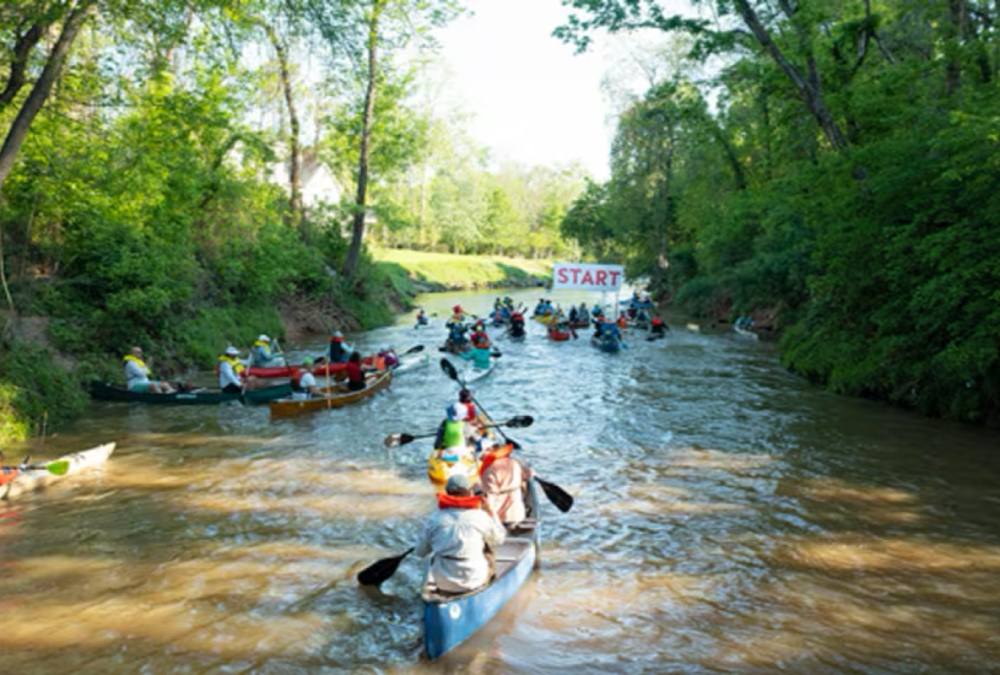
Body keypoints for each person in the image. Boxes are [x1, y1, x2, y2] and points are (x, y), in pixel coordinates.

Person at [415, 473, 505, 594]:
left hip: (442, 582)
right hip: (474, 579)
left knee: (432, 557)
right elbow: (499, 539)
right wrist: (490, 510)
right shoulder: (481, 517)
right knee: (488, 548)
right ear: (469, 492)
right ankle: (489, 585)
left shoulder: (434, 519)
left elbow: (420, 552)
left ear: (447, 493)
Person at [480, 441, 532, 529]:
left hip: (500, 517)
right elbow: (527, 474)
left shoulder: (489, 470)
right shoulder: (515, 463)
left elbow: (490, 496)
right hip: (518, 514)